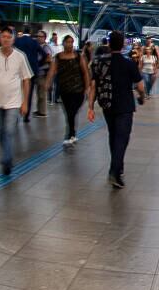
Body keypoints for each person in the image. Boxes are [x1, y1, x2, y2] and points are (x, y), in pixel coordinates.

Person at [88, 33, 144, 188]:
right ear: (123, 46)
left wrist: (90, 107)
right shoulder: (129, 64)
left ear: (109, 45)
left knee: (113, 136)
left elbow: (93, 86)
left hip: (107, 105)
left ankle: (118, 168)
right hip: (125, 106)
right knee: (122, 138)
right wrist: (142, 97)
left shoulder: (100, 63)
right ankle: (114, 171)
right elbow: (140, 86)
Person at [0, 26, 32, 175]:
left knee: (9, 131)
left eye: (9, 37)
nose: (6, 40)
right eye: (3, 37)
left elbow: (26, 80)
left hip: (14, 102)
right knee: (0, 132)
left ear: (13, 39)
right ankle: (7, 155)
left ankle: (7, 160)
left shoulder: (20, 56)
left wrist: (25, 102)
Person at [50, 35, 91, 146]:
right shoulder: (58, 57)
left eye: (71, 42)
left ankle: (71, 134)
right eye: (67, 42)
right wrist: (47, 83)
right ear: (63, 43)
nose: (69, 44)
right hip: (65, 91)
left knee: (72, 112)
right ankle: (71, 134)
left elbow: (85, 72)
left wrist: (87, 88)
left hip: (78, 91)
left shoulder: (79, 57)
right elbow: (52, 71)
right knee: (69, 112)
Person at [14, 27, 44, 122]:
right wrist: (38, 63)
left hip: (18, 70)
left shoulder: (17, 41)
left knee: (17, 92)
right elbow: (44, 54)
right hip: (31, 70)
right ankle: (26, 116)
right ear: (30, 32)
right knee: (29, 93)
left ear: (22, 32)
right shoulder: (34, 42)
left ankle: (15, 116)